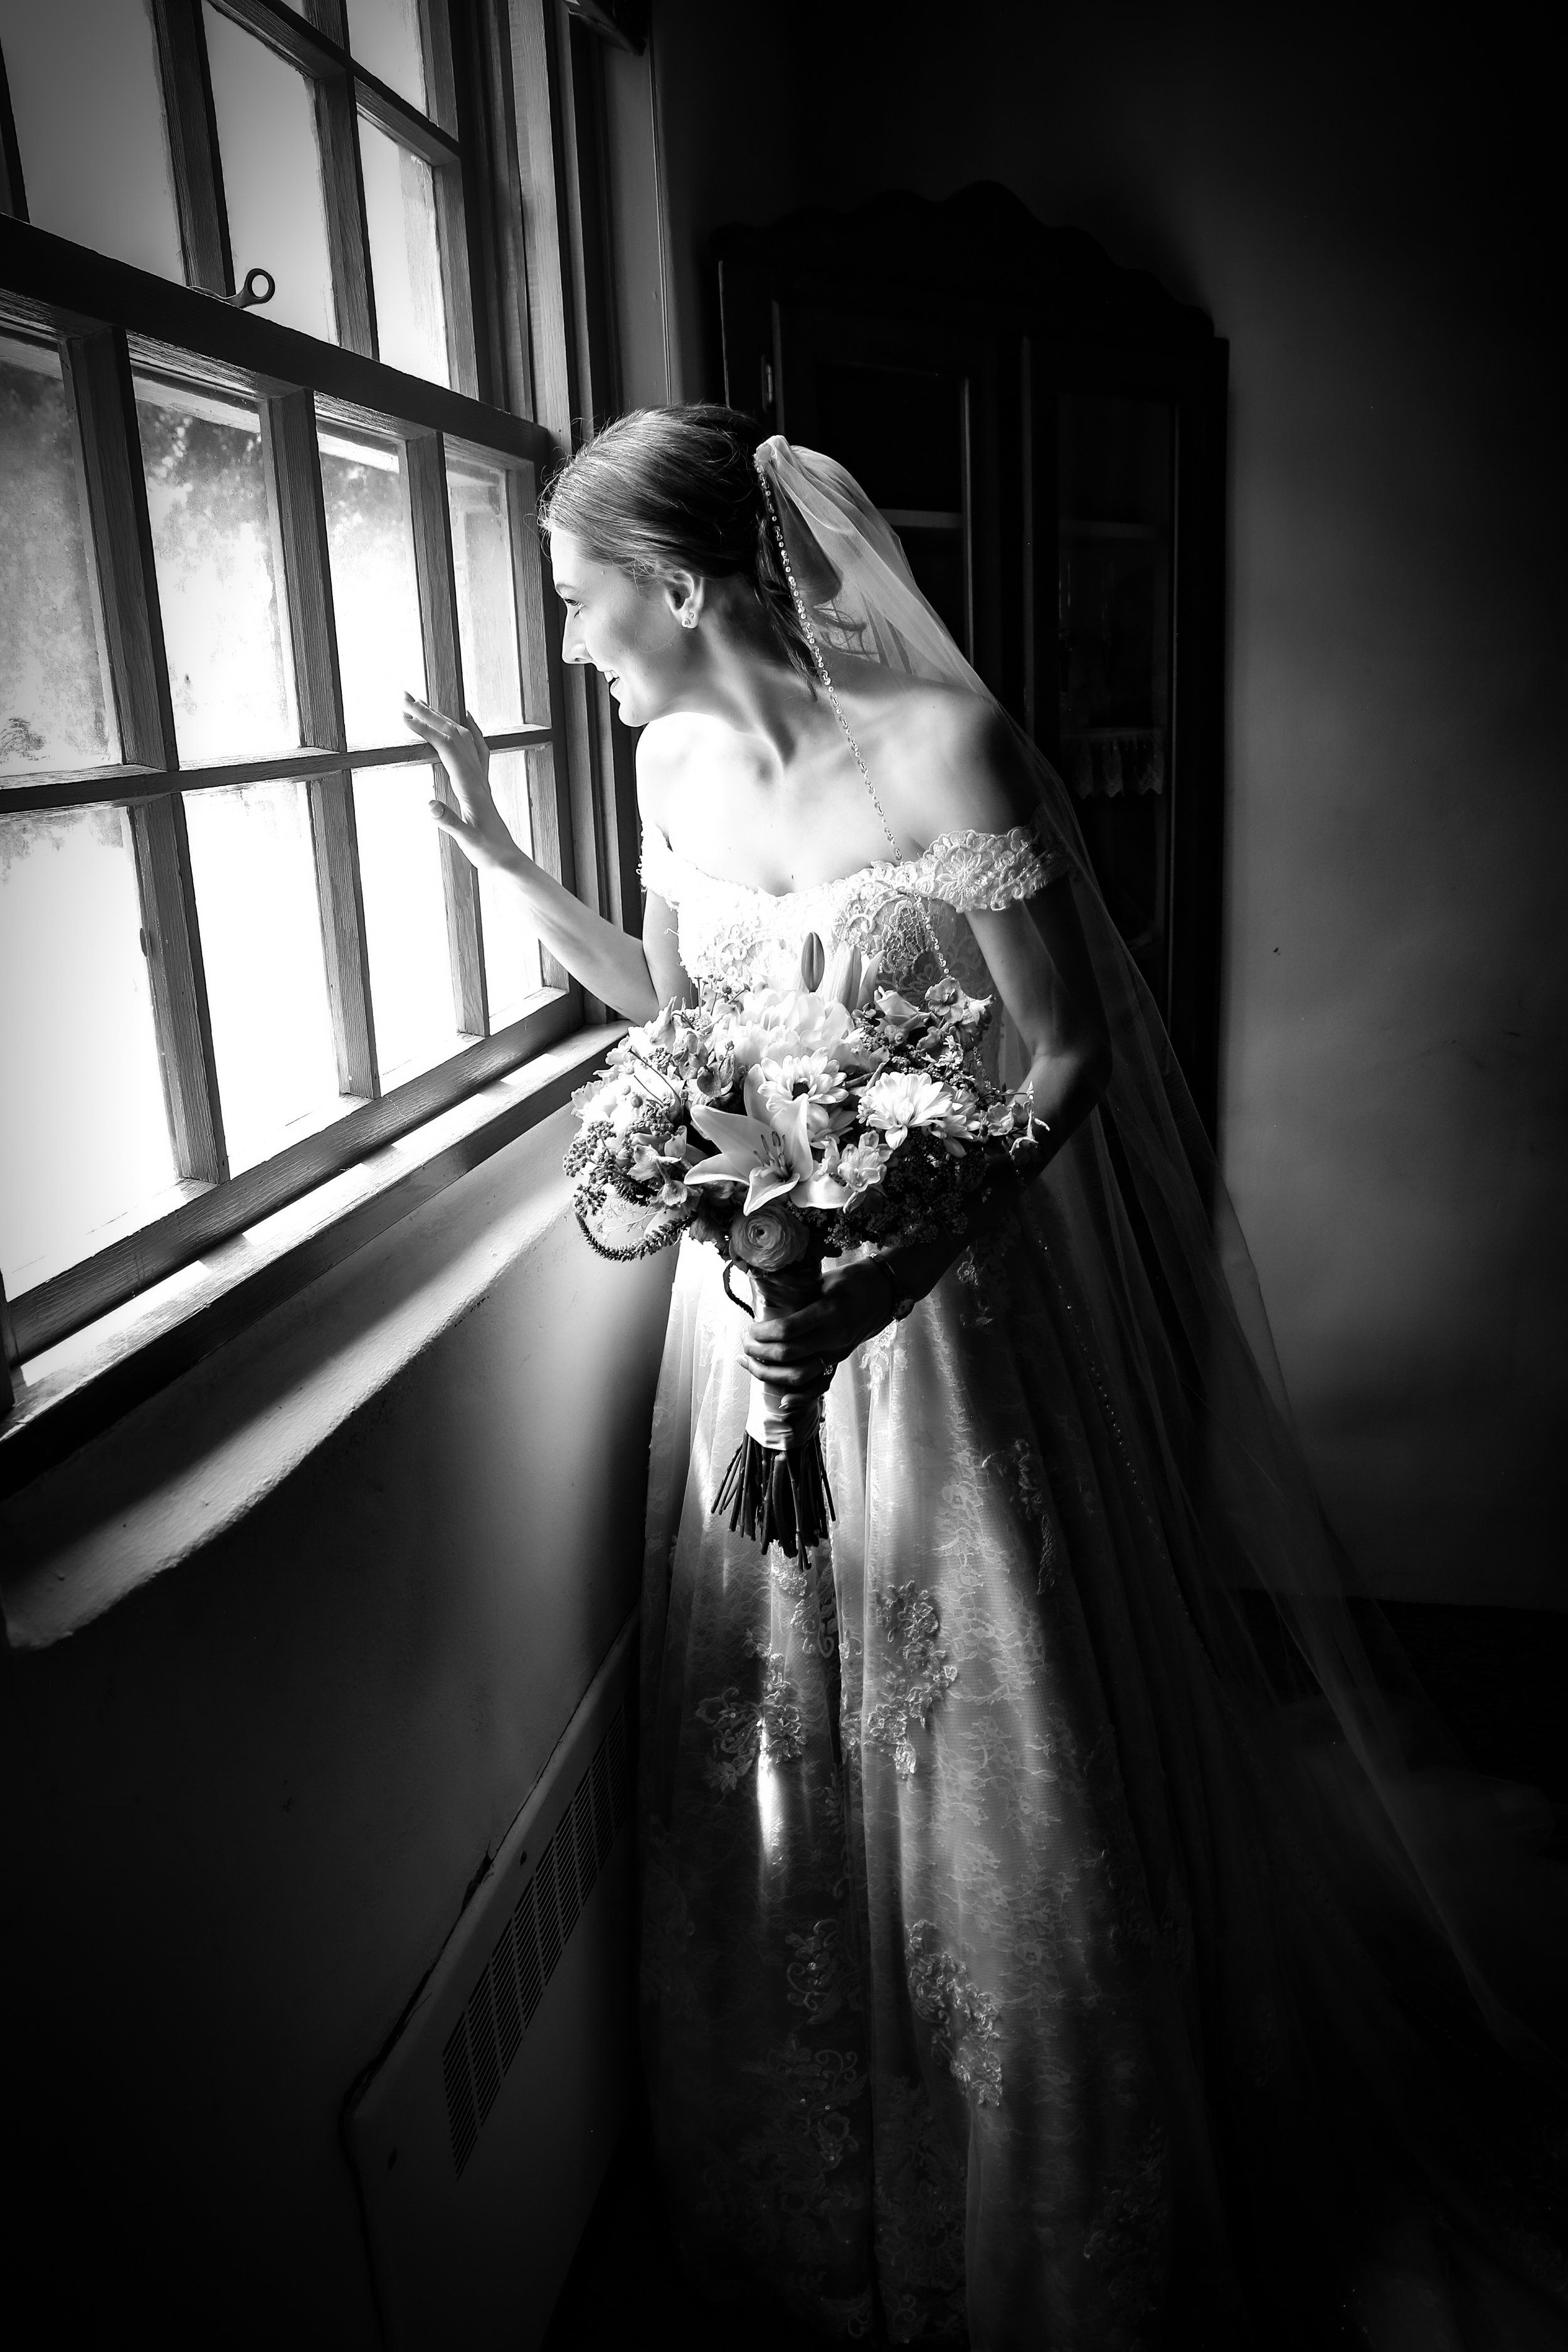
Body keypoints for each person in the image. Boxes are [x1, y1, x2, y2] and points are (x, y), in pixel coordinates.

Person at [405, 406, 1568, 2349]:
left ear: (679, 586)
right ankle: (827, 2146)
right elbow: (692, 1015)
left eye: (580, 599)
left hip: (937, 1311)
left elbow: (1064, 1051)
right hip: (759, 1312)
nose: (571, 641)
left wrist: (887, 1269)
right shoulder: (677, 764)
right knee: (777, 1703)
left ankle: (1058, 2166)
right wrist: (499, 861)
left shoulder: (941, 751)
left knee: (986, 1696)